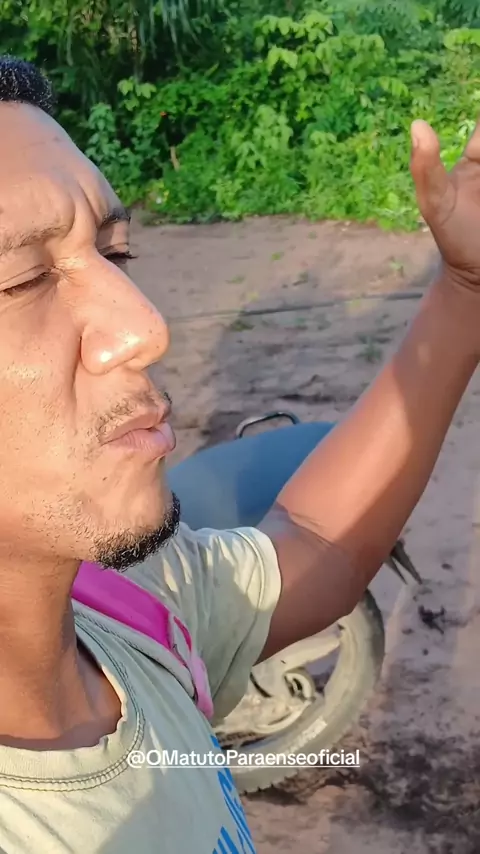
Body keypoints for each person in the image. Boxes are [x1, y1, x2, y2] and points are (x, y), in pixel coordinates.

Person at [0, 53, 479, 853]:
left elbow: (317, 546)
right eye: (23, 280)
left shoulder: (123, 606)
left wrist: (465, 292)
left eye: (116, 254)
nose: (146, 328)